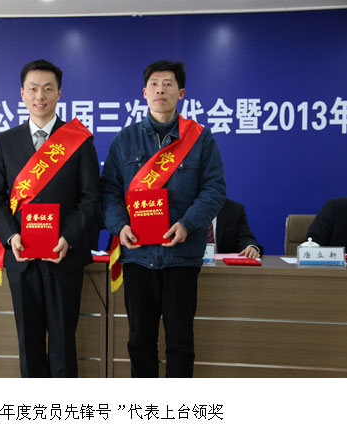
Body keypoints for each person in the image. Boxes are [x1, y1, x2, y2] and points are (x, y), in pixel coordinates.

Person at [101, 60, 226, 378]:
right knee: (139, 341)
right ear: (144, 93)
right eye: (154, 84)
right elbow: (109, 192)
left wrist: (187, 224)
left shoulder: (200, 139)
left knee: (180, 342)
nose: (160, 90)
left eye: (168, 84)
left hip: (181, 256)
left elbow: (214, 190)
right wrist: (120, 226)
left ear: (181, 93)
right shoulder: (125, 140)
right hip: (137, 256)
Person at [0, 59, 100, 377]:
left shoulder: (79, 140)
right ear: (22, 93)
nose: (40, 96)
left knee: (63, 343)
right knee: (29, 344)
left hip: (65, 256)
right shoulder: (6, 141)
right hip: (21, 257)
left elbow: (90, 197)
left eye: (48, 89)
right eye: (33, 88)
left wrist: (69, 237)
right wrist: (11, 235)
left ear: (59, 93)